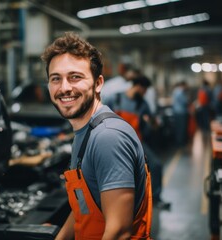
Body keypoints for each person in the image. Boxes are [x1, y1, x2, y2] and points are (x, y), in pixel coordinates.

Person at [41, 32, 153, 239]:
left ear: (98, 83)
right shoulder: (84, 133)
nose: (64, 88)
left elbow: (119, 232)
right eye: (56, 79)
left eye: (75, 77)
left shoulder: (107, 137)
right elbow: (82, 209)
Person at [104, 75, 171, 210]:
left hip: (135, 142)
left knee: (156, 165)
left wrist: (153, 123)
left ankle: (156, 198)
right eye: (145, 90)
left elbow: (151, 123)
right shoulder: (115, 99)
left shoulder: (142, 104)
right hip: (115, 143)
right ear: (139, 87)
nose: (145, 93)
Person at [172, 81, 189, 147]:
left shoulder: (175, 91)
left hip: (176, 112)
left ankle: (178, 141)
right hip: (181, 112)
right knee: (181, 128)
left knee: (178, 127)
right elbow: (185, 102)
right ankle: (180, 142)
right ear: (183, 85)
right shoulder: (181, 92)